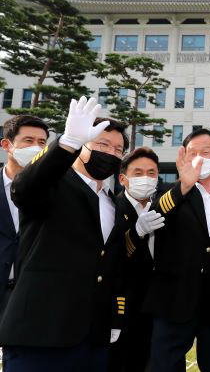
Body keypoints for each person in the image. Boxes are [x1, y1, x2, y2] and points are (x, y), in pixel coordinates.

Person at [0, 97, 130, 371]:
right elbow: (24, 188)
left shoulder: (112, 202)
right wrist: (67, 142)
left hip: (93, 339)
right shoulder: (54, 184)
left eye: (118, 149)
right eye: (102, 144)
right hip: (41, 333)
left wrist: (114, 319)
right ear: (83, 144)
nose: (111, 153)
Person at [143, 128, 210, 372]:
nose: (199, 158)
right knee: (163, 365)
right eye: (192, 153)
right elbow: (156, 216)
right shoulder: (167, 192)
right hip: (172, 299)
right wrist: (183, 186)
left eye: (206, 152)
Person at [108, 147, 164, 372]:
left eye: (152, 173)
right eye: (138, 173)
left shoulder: (163, 209)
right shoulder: (112, 208)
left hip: (158, 307)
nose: (146, 179)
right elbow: (113, 258)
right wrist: (135, 233)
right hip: (123, 307)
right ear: (123, 179)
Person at [0, 115, 49, 315]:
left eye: (42, 143)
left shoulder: (54, 191)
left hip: (32, 298)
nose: (36, 148)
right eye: (29, 141)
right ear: (6, 144)